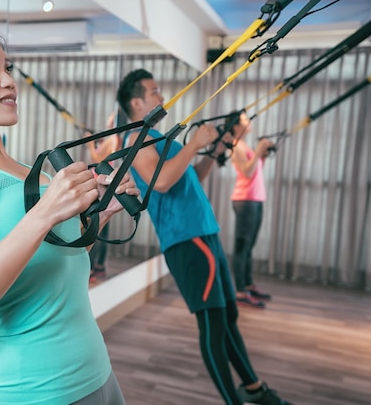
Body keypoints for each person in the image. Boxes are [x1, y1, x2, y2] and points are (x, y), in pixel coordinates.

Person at [0, 23, 138, 405]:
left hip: (99, 373)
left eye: (8, 67)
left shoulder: (32, 172)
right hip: (38, 392)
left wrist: (101, 215)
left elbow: (56, 262)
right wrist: (42, 215)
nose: (8, 80)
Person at [117, 69, 293, 405]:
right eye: (154, 91)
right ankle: (234, 400)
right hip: (186, 239)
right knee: (212, 323)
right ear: (136, 102)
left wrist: (210, 153)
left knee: (228, 315)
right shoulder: (137, 141)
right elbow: (164, 181)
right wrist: (194, 143)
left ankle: (254, 389)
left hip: (202, 233)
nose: (161, 96)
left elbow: (189, 177)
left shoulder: (158, 136)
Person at [229, 110, 275, 308]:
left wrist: (261, 154)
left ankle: (247, 285)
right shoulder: (235, 145)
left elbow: (255, 169)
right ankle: (240, 292)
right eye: (245, 120)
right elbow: (247, 172)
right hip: (245, 200)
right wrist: (258, 151)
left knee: (249, 246)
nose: (249, 122)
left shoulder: (244, 144)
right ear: (236, 126)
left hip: (256, 199)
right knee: (242, 248)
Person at [84, 112, 121, 284]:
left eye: (112, 117)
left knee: (95, 227)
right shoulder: (112, 139)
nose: (108, 118)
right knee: (102, 227)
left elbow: (97, 160)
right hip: (105, 186)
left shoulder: (113, 139)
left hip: (101, 187)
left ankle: (91, 269)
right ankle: (99, 267)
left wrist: (90, 143)